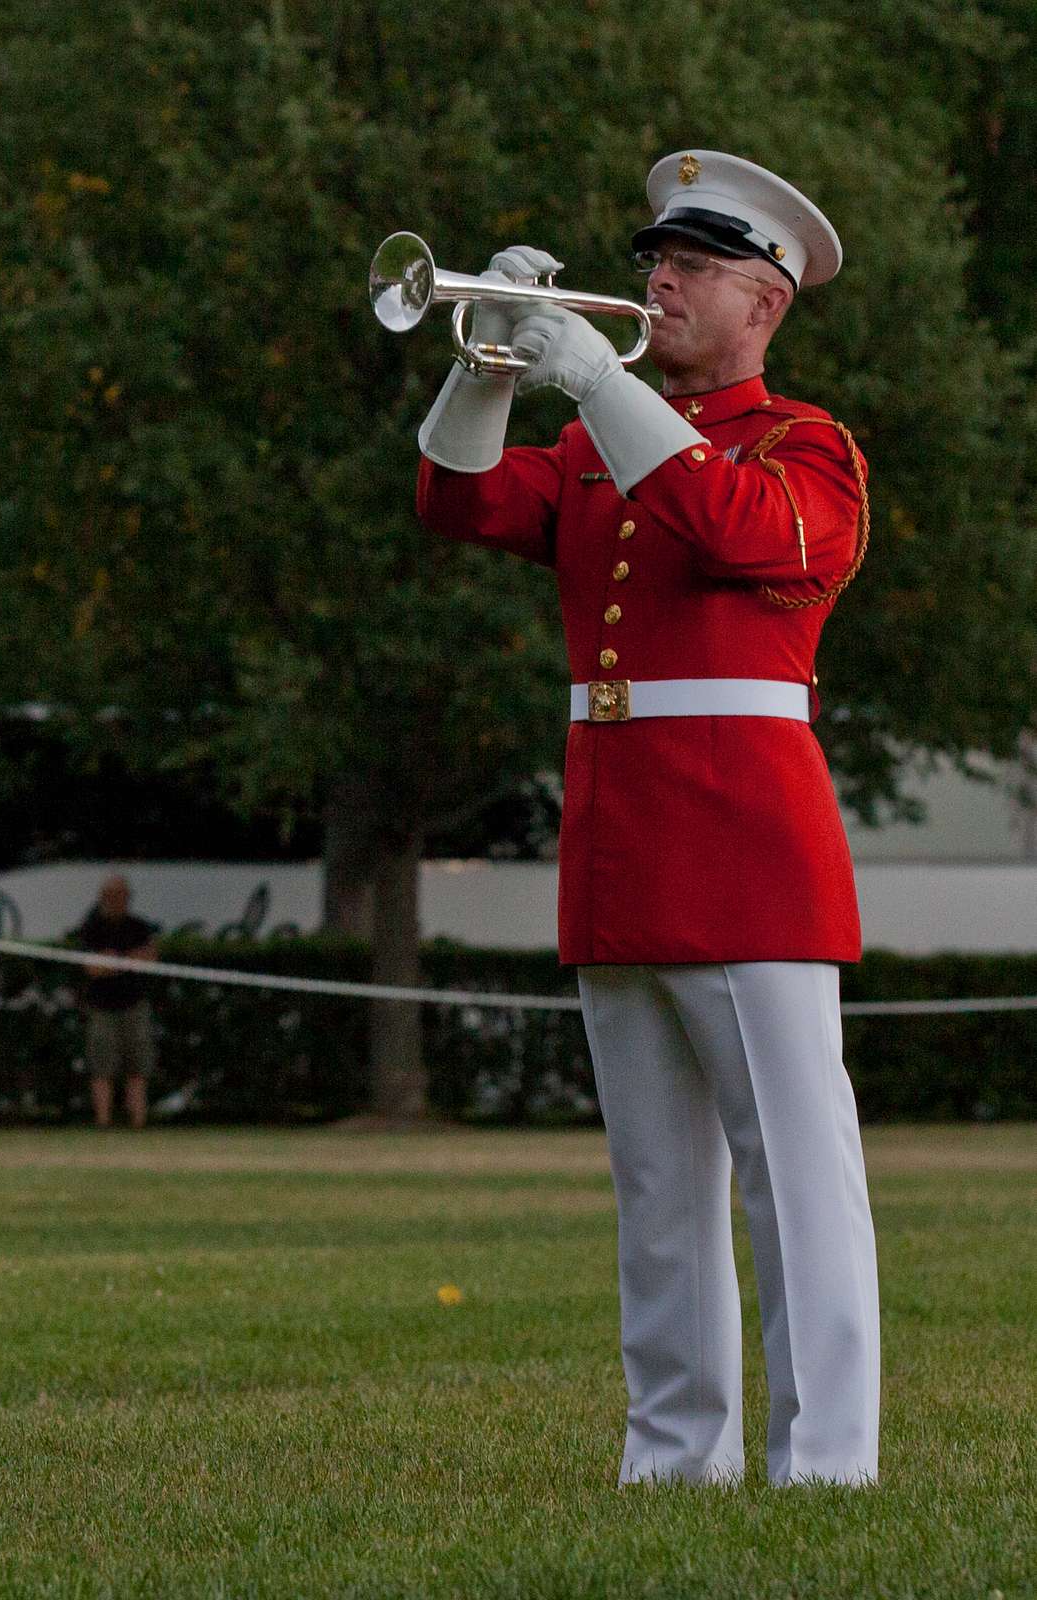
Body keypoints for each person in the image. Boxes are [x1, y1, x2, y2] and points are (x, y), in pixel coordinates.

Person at [416, 150, 879, 1487]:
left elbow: (737, 533)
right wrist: (485, 364)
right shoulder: (594, 444)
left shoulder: (804, 447)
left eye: (690, 270)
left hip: (745, 849)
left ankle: (824, 1466)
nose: (655, 284)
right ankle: (674, 1458)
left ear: (763, 304)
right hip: (620, 841)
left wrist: (596, 379)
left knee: (794, 1183)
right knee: (657, 1197)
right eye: (651, 266)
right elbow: (455, 500)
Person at [73, 874, 159, 1129]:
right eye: (111, 895)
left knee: (138, 1066)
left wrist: (116, 962)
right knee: (101, 1067)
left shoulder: (139, 927)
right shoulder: (91, 928)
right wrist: (124, 962)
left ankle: (138, 1122)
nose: (116, 900)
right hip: (101, 1007)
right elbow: (92, 967)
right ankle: (103, 1122)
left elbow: (149, 960)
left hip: (134, 1004)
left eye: (121, 895)